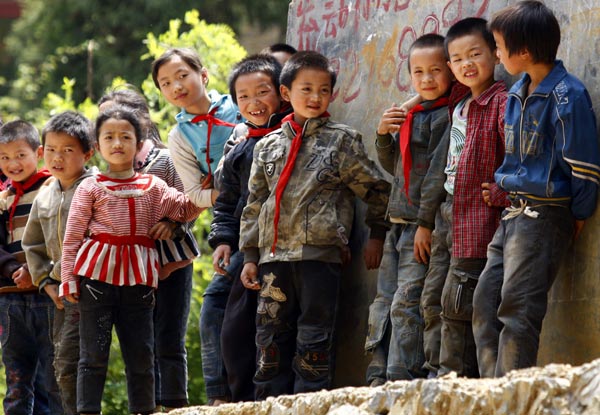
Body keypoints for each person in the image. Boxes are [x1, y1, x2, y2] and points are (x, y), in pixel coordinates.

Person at [239, 51, 390, 399]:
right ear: (286, 92)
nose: (315, 97)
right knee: (269, 338)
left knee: (314, 340)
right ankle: (268, 403)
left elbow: (377, 190)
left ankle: (310, 403)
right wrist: (249, 254)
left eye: (324, 90)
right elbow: (255, 204)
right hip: (273, 259)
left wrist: (376, 235)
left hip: (320, 259)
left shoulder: (342, 140)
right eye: (306, 89)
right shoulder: (267, 146)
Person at [473, 0, 600, 378]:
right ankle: (490, 395)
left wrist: (577, 214)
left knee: (517, 310)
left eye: (497, 46)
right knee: (484, 303)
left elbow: (584, 167)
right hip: (512, 214)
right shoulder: (516, 92)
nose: (495, 55)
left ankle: (512, 399)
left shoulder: (567, 96)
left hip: (544, 216)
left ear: (524, 51)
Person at [59, 106, 201, 415]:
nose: (118, 143)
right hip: (95, 283)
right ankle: (87, 412)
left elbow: (188, 207)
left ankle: (144, 410)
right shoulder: (90, 187)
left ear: (139, 144)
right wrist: (68, 278)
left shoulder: (154, 187)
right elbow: (72, 238)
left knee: (141, 355)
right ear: (97, 147)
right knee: (92, 356)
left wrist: (208, 181)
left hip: (140, 284)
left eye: (126, 136)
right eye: (109, 137)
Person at [98, 87, 199, 411]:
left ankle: (174, 405)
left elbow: (191, 201)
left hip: (171, 260)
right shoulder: (105, 173)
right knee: (140, 342)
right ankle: (147, 405)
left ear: (140, 120)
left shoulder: (165, 159)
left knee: (169, 337)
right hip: (131, 268)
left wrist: (173, 224)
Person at [152, 48, 241, 404]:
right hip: (230, 218)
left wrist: (214, 185)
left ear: (203, 75)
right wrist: (223, 191)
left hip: (269, 209)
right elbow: (194, 194)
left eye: (182, 75)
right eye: (166, 83)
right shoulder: (179, 136)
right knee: (214, 309)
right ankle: (219, 396)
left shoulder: (238, 104)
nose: (176, 86)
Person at [364, 33, 452, 385]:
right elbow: (397, 167)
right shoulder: (413, 113)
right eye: (418, 72)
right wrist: (384, 135)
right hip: (397, 225)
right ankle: (378, 374)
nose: (427, 79)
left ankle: (403, 374)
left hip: (420, 225)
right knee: (383, 300)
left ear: (450, 70)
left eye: (435, 70)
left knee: (408, 301)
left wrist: (426, 223)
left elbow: (436, 176)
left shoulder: (448, 116)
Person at [208, 53, 291, 402]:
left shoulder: (294, 138)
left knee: (276, 329)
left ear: (282, 93)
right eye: (244, 96)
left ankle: (274, 400)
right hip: (246, 249)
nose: (254, 103)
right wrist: (223, 240)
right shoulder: (241, 149)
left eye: (262, 92)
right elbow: (227, 202)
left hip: (286, 249)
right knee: (235, 330)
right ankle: (240, 400)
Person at [431, 17, 508, 378]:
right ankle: (441, 377)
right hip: (449, 215)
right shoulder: (460, 100)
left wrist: (500, 191)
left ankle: (457, 384)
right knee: (437, 301)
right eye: (458, 59)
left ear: (496, 54)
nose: (467, 64)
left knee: (460, 306)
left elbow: (520, 156)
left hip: (478, 221)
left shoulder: (501, 103)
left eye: (475, 54)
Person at [22, 111, 95, 415]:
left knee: (92, 362)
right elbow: (33, 243)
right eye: (50, 149)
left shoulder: (96, 187)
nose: (57, 158)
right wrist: (46, 283)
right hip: (63, 296)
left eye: (67, 150)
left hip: (95, 289)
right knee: (63, 363)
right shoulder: (45, 194)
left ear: (87, 153)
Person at [0, 120, 62, 414]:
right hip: (11, 296)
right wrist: (12, 268)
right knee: (16, 380)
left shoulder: (51, 187)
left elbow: (57, 237)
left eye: (20, 155)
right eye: (4, 157)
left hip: (47, 293)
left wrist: (37, 271)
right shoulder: (5, 197)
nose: (13, 163)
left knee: (55, 376)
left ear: (38, 152)